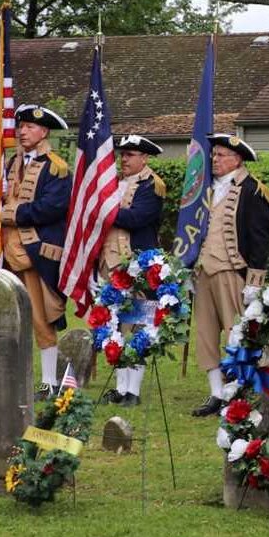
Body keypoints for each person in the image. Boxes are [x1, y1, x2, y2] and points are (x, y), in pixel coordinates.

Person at [191, 134, 269, 417]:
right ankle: (216, 393)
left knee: (235, 334)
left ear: (237, 159)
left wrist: (254, 281)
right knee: (205, 333)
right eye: (214, 155)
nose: (214, 160)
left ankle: (238, 391)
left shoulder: (253, 190)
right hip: (204, 270)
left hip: (232, 271)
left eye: (221, 155)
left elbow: (260, 240)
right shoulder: (204, 190)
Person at [1, 105, 72, 399]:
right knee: (13, 319)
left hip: (36, 252)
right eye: (22, 126)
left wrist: (15, 213)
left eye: (30, 127)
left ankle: (48, 382)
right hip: (9, 250)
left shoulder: (57, 167)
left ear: (44, 132)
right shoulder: (10, 164)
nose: (23, 131)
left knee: (43, 321)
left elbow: (52, 207)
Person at [98, 134, 167, 407]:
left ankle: (134, 391)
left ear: (144, 158)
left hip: (138, 265)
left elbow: (137, 218)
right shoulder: (113, 184)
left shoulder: (153, 186)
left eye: (130, 155)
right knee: (115, 327)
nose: (124, 159)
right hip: (111, 264)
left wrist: (104, 209)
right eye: (122, 154)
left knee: (139, 326)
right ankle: (119, 386)